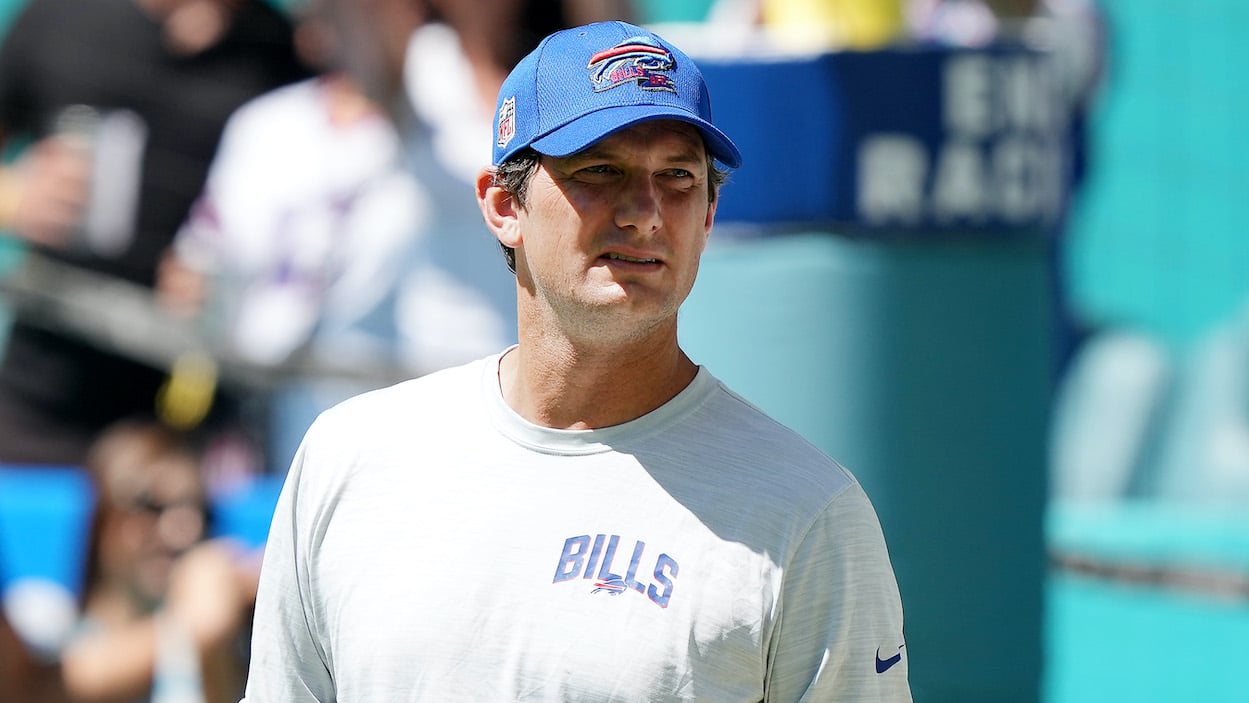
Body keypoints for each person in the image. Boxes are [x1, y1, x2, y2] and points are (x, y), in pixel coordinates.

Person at [243, 20, 910, 701]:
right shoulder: (351, 458)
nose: (646, 212)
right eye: (601, 170)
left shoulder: (805, 510)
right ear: (504, 205)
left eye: (678, 177)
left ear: (708, 217)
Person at [0, 0, 310, 466]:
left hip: (203, 415)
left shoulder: (288, 53)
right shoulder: (61, 18)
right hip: (44, 391)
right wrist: (14, 196)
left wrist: (236, 274)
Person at [58, 418, 259, 703]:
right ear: (102, 518)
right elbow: (58, 684)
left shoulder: (226, 640)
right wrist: (196, 621)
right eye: (151, 505)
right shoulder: (41, 617)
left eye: (198, 510)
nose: (183, 531)